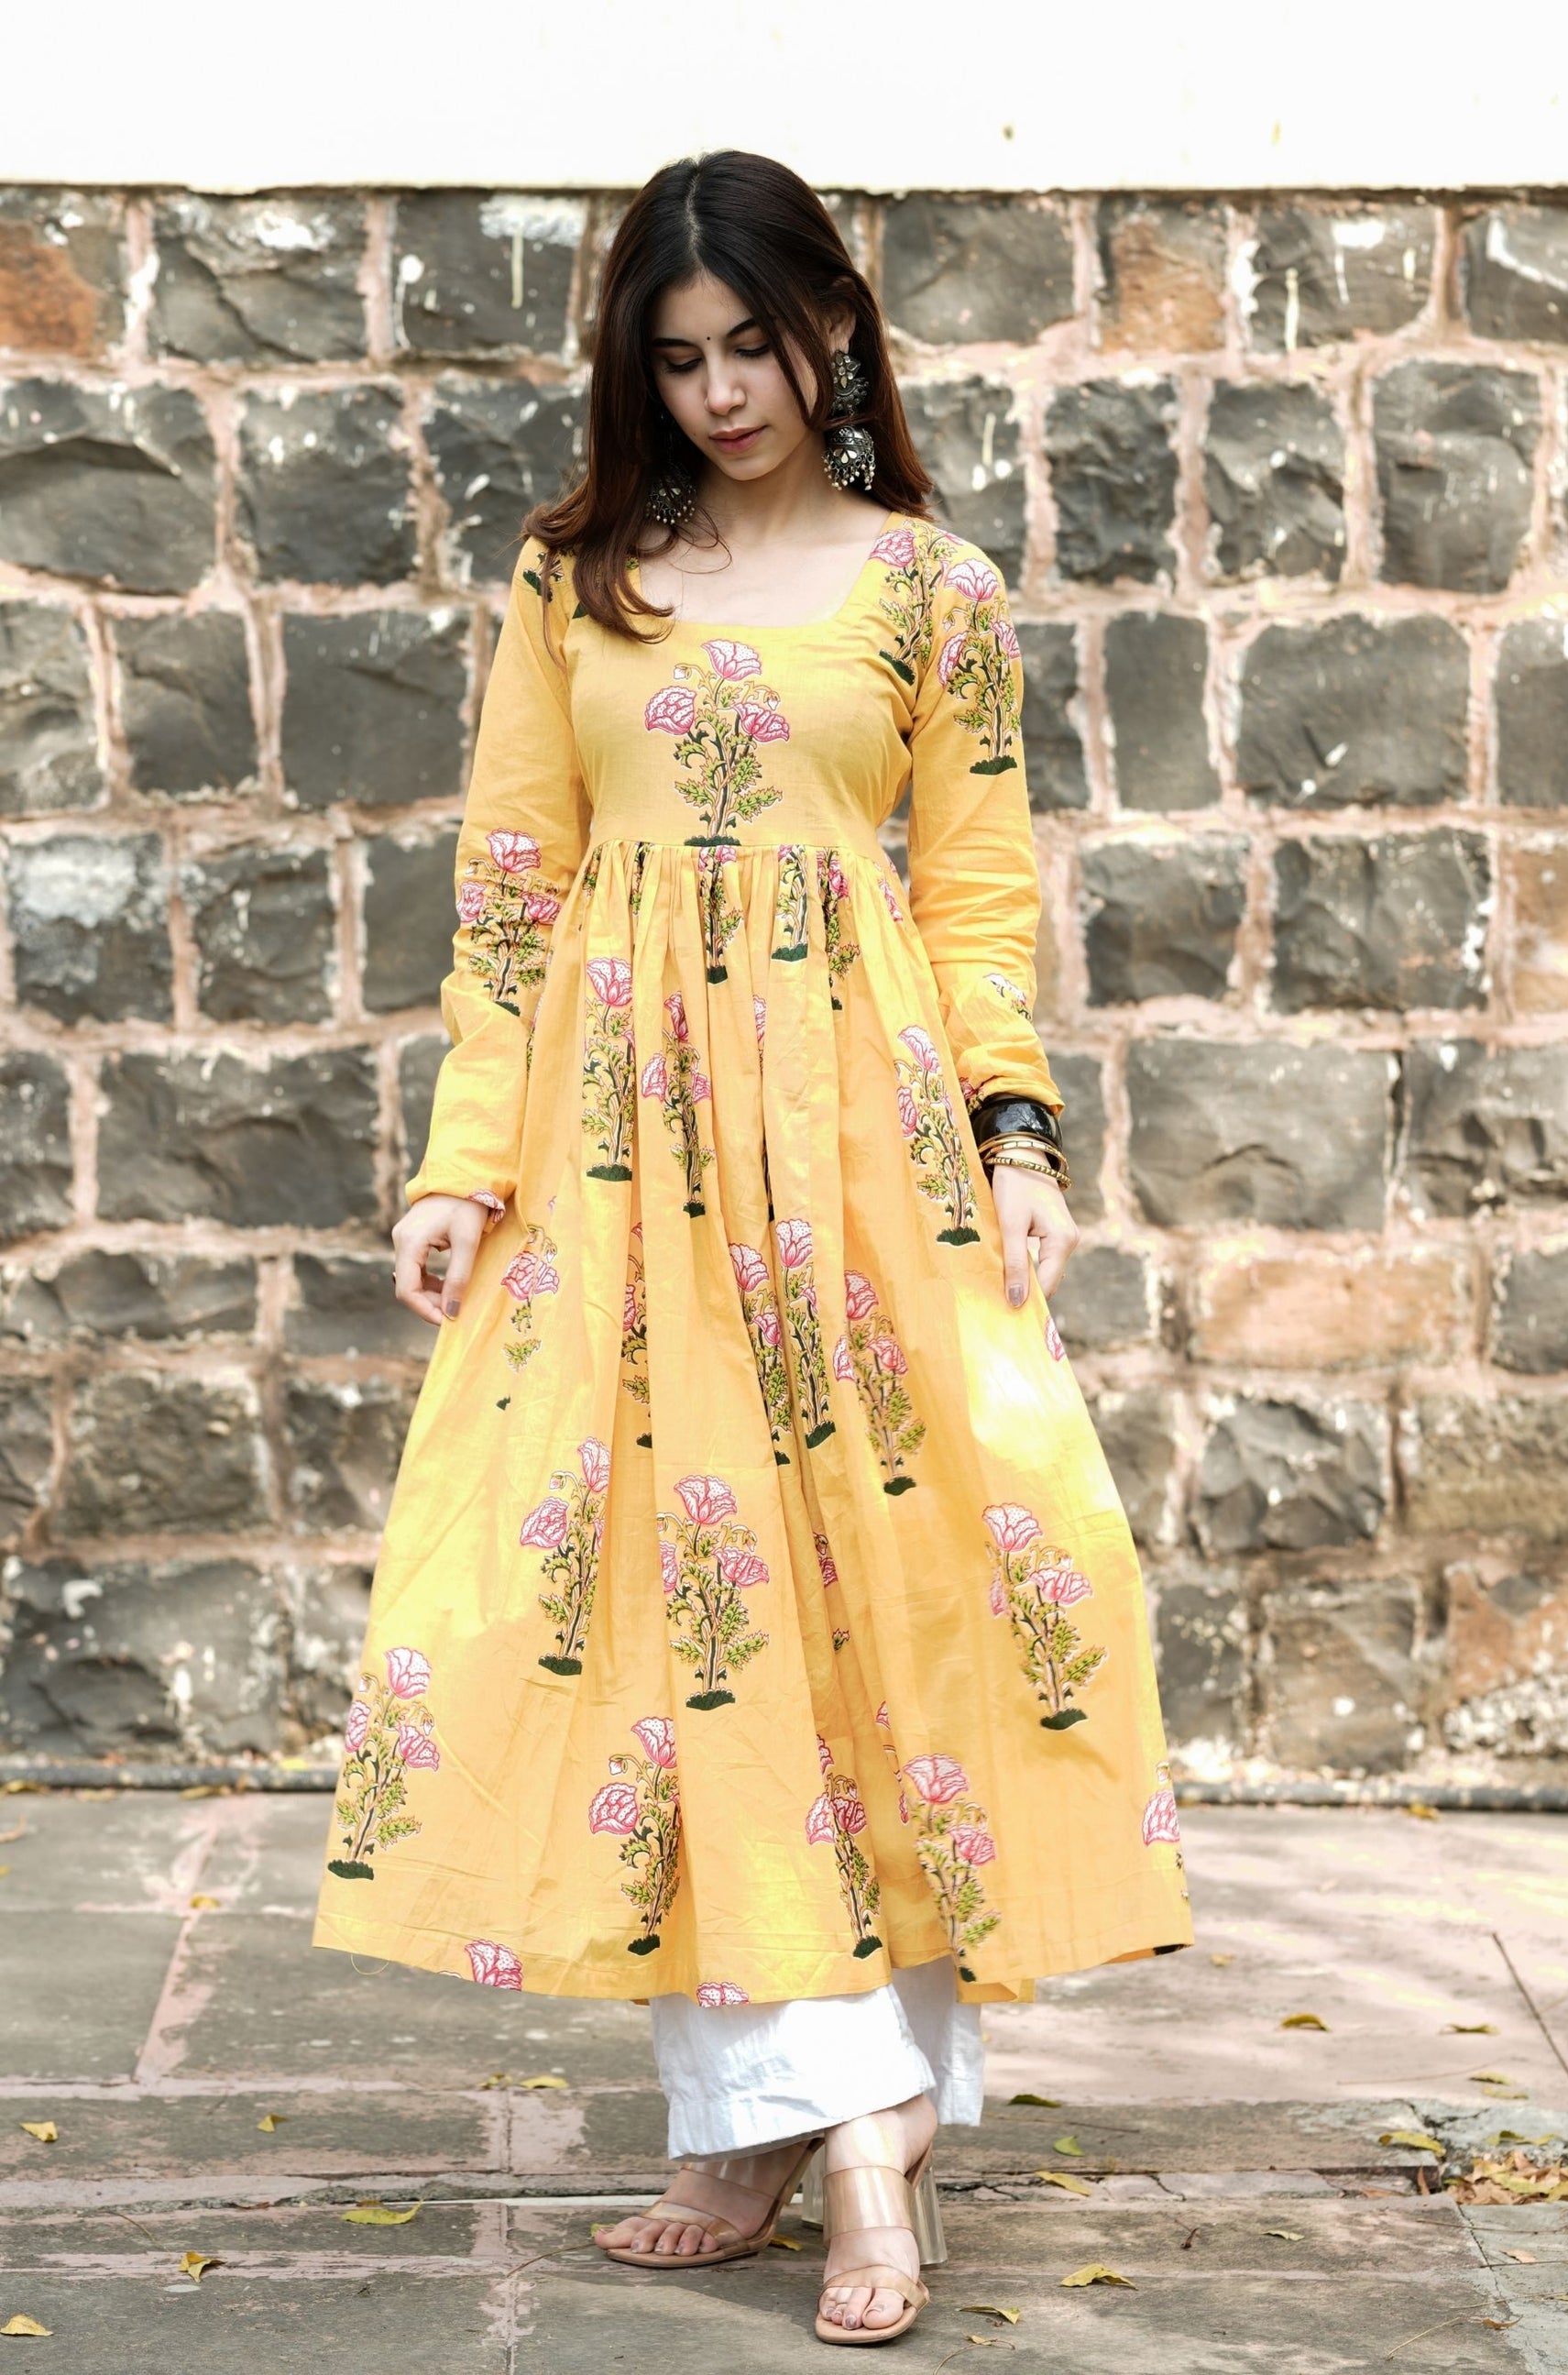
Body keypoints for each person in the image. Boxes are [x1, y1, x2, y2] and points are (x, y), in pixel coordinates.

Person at [312, 148, 1191, 2347]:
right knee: (657, 1606)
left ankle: (838, 2122)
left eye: (755, 348)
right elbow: (511, 889)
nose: (722, 393)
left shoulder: (929, 591)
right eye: (680, 357)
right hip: (619, 1162)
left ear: (835, 334)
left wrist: (1015, 1132)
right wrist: (462, 1164)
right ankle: (787, 2114)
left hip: (860, 1151)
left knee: (885, 1597)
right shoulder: (574, 582)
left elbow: (973, 890)